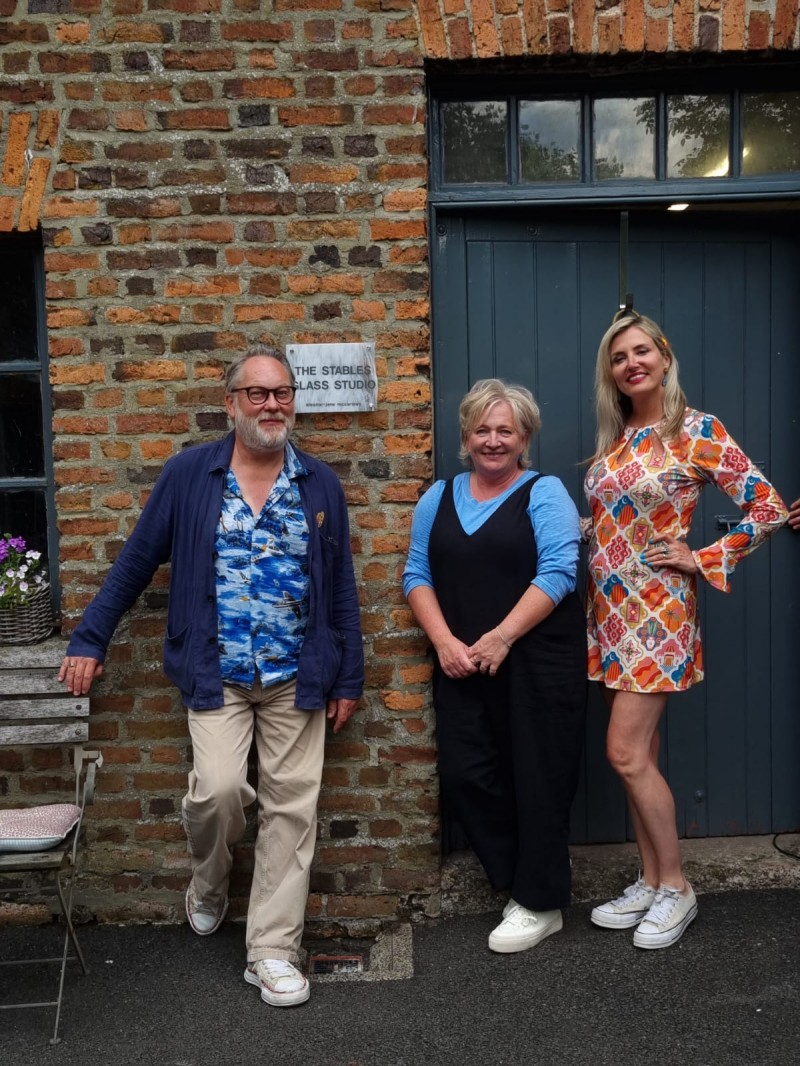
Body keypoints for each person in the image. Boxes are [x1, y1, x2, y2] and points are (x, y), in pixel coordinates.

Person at [58, 345, 363, 1007]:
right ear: (231, 404)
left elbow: (340, 590)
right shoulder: (191, 476)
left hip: (296, 676)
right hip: (216, 674)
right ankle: (209, 882)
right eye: (257, 394)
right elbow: (135, 563)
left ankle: (272, 951)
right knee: (221, 793)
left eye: (281, 393)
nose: (272, 405)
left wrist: (347, 680)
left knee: (292, 812)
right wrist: (90, 637)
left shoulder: (320, 486)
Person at [584, 311, 788, 950]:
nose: (632, 363)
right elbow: (616, 517)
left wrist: (702, 557)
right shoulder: (616, 441)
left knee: (622, 752)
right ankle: (649, 878)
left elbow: (767, 506)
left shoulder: (697, 431)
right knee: (637, 757)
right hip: (610, 613)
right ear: (611, 374)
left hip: (657, 614)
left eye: (642, 351)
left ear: (664, 359)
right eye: (620, 358)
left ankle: (676, 886)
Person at [403, 379, 586, 954]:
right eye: (482, 429)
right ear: (465, 435)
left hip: (535, 660)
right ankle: (517, 880)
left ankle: (540, 901)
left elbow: (560, 571)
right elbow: (416, 575)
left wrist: (503, 637)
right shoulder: (438, 496)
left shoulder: (544, 492)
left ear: (524, 437)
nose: (493, 440)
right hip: (462, 663)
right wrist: (444, 643)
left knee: (539, 776)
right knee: (466, 774)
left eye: (505, 430)